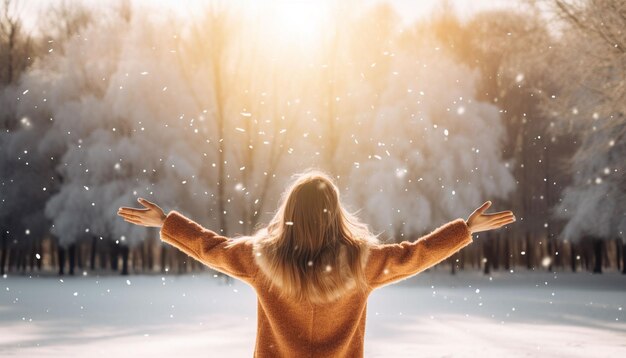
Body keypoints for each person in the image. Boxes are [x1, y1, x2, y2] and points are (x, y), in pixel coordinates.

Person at [117, 169, 515, 357]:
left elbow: (210, 247)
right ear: (334, 214)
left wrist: (167, 222)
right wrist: (464, 229)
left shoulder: (260, 260)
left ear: (289, 211)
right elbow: (415, 256)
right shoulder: (362, 264)